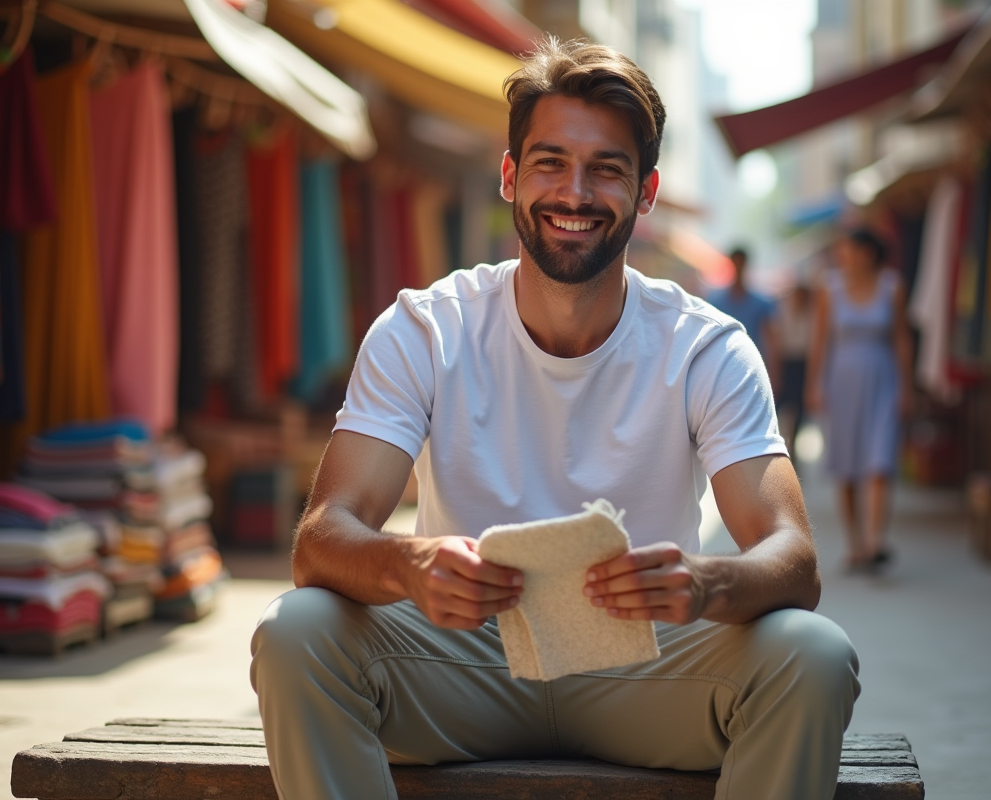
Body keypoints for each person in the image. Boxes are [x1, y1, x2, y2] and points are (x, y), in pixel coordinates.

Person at [250, 38, 859, 800]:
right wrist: (409, 567)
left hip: (645, 666)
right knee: (295, 632)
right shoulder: (425, 328)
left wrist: (706, 584)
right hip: (457, 664)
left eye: (607, 168)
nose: (575, 193)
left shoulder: (707, 345)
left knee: (813, 653)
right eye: (549, 163)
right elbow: (323, 538)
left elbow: (793, 557)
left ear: (646, 192)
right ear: (510, 176)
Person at [805, 229, 913, 571]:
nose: (843, 256)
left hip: (883, 379)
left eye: (849, 249)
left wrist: (907, 387)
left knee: (880, 461)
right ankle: (855, 544)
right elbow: (821, 341)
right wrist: (815, 384)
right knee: (847, 465)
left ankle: (875, 541)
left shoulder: (892, 286)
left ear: (867, 253)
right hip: (842, 382)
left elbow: (902, 339)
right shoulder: (830, 288)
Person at [707, 248, 783, 396]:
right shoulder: (716, 301)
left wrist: (774, 374)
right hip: (723, 368)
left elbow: (771, 339)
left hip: (752, 367)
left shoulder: (761, 303)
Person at [776, 280, 813, 468]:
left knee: (798, 410)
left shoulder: (812, 314)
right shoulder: (783, 312)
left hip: (803, 364)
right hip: (786, 363)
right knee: (781, 407)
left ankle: (793, 447)